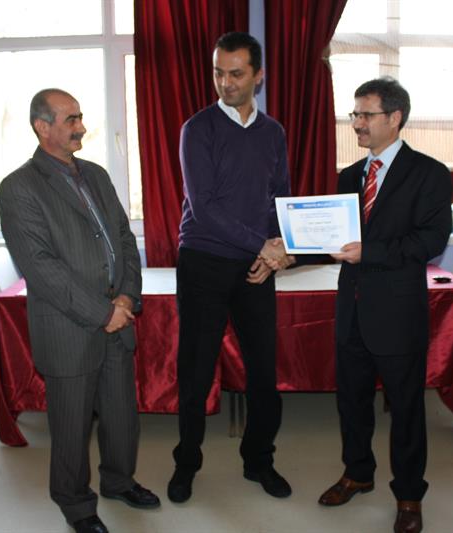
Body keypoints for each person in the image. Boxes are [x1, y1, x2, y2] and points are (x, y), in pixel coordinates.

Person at [0, 88, 159, 533]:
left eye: (80, 117)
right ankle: (75, 505)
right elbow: (41, 268)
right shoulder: (19, 187)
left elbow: (124, 238)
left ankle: (119, 481)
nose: (81, 127)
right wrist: (103, 313)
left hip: (117, 317)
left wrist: (126, 297)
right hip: (69, 327)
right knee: (71, 427)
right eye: (70, 120)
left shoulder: (96, 175)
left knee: (121, 417)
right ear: (42, 127)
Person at [317, 77, 452, 533]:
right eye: (354, 114)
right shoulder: (348, 176)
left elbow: (430, 241)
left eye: (365, 114)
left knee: (406, 410)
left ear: (394, 118)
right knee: (351, 403)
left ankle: (409, 495)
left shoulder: (430, 174)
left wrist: (369, 253)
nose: (356, 123)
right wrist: (290, 248)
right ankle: (357, 473)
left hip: (397, 314)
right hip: (352, 311)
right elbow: (334, 239)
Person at [167, 31, 293, 504]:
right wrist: (263, 246)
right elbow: (204, 208)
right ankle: (186, 463)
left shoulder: (273, 132)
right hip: (203, 261)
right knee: (196, 372)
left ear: (259, 76)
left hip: (255, 266)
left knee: (263, 371)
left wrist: (278, 251)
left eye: (236, 73)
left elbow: (279, 197)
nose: (226, 82)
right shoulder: (197, 129)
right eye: (219, 73)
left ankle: (259, 460)